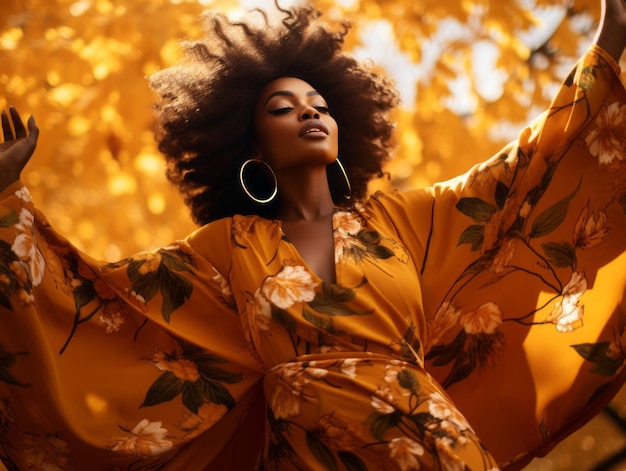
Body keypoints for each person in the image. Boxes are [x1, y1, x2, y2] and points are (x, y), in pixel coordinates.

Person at [0, 0, 625, 469]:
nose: (310, 110)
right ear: (248, 148)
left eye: (320, 102)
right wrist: (8, 203)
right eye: (282, 106)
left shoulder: (402, 222)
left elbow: (525, 173)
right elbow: (97, 303)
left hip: (440, 450)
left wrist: (610, 38)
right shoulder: (226, 248)